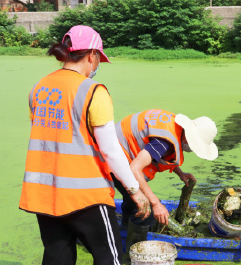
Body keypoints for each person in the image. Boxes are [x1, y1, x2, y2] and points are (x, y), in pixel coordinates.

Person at [19, 25, 151, 265]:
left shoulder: (38, 88)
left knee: (58, 256)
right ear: (92, 55)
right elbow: (110, 150)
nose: (98, 64)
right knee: (109, 257)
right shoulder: (93, 91)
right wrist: (135, 191)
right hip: (86, 195)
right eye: (99, 58)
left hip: (44, 193)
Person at [113, 109, 218, 250]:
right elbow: (134, 169)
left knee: (132, 200)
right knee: (145, 210)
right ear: (189, 138)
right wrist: (155, 204)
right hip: (113, 157)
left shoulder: (174, 130)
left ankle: (125, 228)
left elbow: (157, 156)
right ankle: (132, 254)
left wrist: (180, 173)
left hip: (118, 152)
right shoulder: (164, 142)